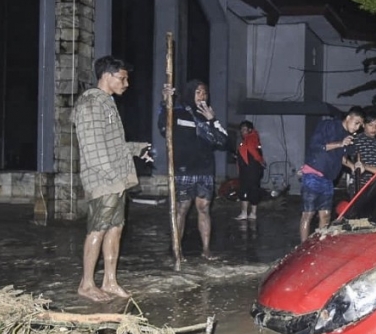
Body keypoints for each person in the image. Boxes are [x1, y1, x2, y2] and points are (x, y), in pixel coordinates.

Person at [72, 56, 152, 302]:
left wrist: (138, 149)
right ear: (107, 75)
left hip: (116, 179)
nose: (126, 83)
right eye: (122, 78)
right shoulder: (90, 104)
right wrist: (112, 178)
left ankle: (109, 281)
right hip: (104, 181)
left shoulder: (106, 103)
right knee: (97, 229)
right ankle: (86, 284)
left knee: (115, 229)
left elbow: (113, 145)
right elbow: (93, 149)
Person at [158, 79, 228, 260]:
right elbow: (163, 127)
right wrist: (165, 102)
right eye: (198, 92)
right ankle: (177, 250)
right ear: (190, 93)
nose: (202, 96)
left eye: (205, 92)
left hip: (204, 170)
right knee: (181, 208)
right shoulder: (178, 112)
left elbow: (224, 141)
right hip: (183, 170)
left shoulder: (209, 115)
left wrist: (212, 120)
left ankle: (206, 249)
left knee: (204, 208)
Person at [299, 106, 365, 242]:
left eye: (360, 125)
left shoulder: (347, 137)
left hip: (328, 179)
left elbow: (343, 156)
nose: (357, 127)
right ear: (348, 118)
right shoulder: (328, 126)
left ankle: (319, 246)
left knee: (326, 215)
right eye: (356, 122)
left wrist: (354, 165)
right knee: (308, 214)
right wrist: (340, 143)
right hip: (313, 174)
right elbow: (316, 146)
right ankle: (302, 248)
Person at [343, 108, 376, 196]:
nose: (374, 128)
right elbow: (342, 157)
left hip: (373, 185)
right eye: (371, 125)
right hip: (358, 184)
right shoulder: (356, 139)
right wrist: (353, 166)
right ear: (363, 125)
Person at [235, 120, 266, 221]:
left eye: (244, 129)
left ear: (249, 130)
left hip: (251, 170)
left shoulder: (251, 138)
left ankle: (249, 213)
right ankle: (248, 213)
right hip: (248, 170)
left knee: (249, 190)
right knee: (249, 190)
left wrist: (261, 161)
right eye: (241, 129)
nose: (242, 131)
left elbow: (253, 151)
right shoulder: (250, 139)